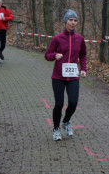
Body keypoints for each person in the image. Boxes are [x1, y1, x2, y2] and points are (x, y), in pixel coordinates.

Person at [44, 9, 87, 141]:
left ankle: (66, 121)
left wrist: (83, 68)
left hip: (73, 76)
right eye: (70, 20)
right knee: (59, 103)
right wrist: (55, 55)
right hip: (58, 77)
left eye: (75, 20)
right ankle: (56, 128)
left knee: (73, 102)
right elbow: (47, 55)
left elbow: (83, 54)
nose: (73, 23)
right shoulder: (57, 39)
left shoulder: (79, 39)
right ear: (65, 21)